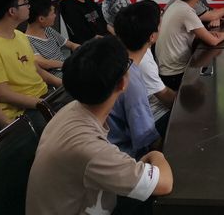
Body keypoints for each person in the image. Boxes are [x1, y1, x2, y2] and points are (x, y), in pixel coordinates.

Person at [26, 37, 173, 214]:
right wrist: (156, 154)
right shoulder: (90, 149)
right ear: (123, 83)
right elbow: (164, 184)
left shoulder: (71, 110)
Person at [156, 0, 224, 91]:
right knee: (223, 78)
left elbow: (196, 34)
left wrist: (208, 34)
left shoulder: (177, 5)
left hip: (167, 71)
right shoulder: (186, 11)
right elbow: (213, 41)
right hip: (176, 75)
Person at [115, 0, 175, 140]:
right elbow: (143, 134)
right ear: (152, 36)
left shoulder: (130, 48)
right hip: (154, 120)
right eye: (159, 23)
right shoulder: (140, 66)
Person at [25, 0, 80, 79]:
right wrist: (68, 64)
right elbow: (43, 63)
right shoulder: (26, 40)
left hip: (67, 68)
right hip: (57, 76)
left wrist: (84, 49)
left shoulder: (47, 29)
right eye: (53, 13)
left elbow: (71, 44)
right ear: (41, 19)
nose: (55, 16)